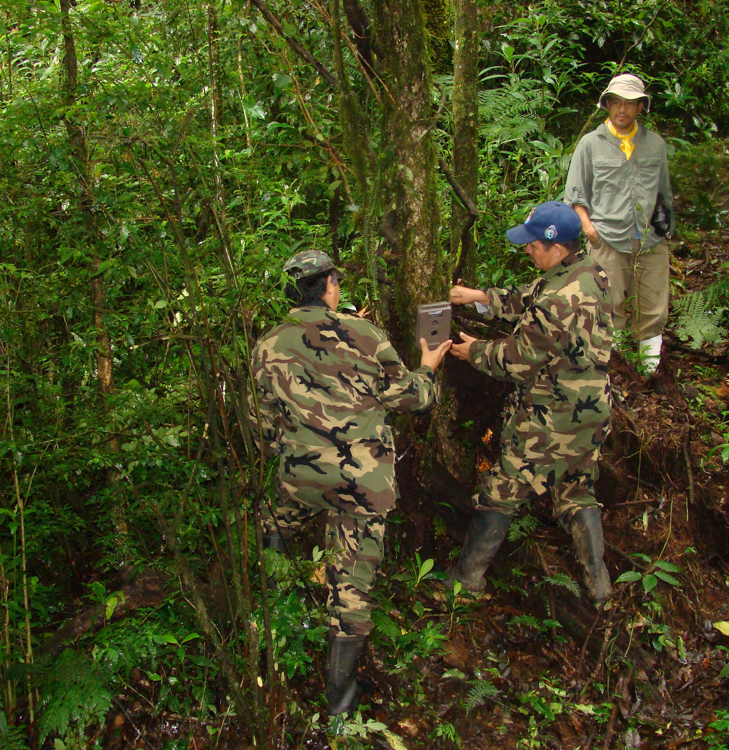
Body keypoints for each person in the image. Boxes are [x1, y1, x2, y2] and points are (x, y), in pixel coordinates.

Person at [249, 249, 452, 716]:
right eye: (336, 281)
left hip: (302, 475)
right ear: (330, 287)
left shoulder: (268, 345)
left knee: (272, 524)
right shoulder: (364, 333)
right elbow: (412, 398)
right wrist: (428, 365)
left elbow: (262, 428)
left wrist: (299, 448)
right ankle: (339, 707)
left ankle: (271, 625)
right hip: (364, 482)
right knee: (351, 590)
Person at [446, 202, 614, 603]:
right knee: (577, 492)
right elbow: (531, 297)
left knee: (501, 490)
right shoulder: (588, 271)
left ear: (556, 248)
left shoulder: (558, 300)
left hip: (552, 415)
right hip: (591, 408)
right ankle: (600, 589)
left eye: (533, 245)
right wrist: (482, 297)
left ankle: (465, 582)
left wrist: (475, 352)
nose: (527, 251)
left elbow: (517, 359)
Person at [564, 73, 674, 373]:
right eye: (616, 102)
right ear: (607, 105)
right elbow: (575, 194)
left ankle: (649, 372)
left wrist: (665, 231)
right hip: (606, 238)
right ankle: (617, 372)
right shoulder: (590, 145)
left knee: (653, 306)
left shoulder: (656, 145)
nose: (622, 110)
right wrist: (589, 230)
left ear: (641, 107)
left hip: (649, 240)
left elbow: (664, 194)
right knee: (608, 306)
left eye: (629, 103)